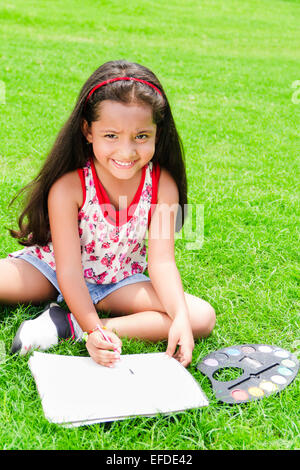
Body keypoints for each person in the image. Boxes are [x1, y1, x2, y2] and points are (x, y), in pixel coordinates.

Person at [1, 60, 215, 368]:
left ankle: (65, 326)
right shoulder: (69, 186)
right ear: (88, 131)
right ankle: (80, 320)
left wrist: (177, 319)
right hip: (50, 270)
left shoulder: (161, 183)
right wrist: (94, 325)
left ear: (158, 132)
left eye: (141, 136)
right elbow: (70, 272)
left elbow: (162, 261)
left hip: (117, 283)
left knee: (199, 317)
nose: (126, 152)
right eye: (111, 136)